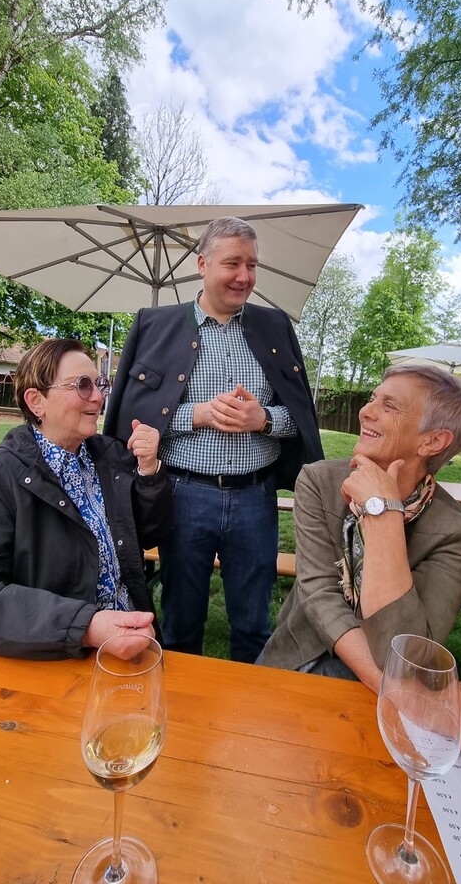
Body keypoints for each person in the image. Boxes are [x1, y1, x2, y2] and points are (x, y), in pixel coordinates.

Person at [258, 364, 461, 760]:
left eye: (389, 406)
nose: (366, 411)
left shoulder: (459, 536)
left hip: (374, 704)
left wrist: (383, 514)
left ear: (433, 441)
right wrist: (413, 700)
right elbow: (320, 596)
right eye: (372, 399)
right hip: (290, 662)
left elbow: (406, 654)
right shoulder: (318, 481)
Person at [104, 216, 323, 663]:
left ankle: (249, 702)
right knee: (181, 623)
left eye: (252, 265)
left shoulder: (276, 327)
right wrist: (196, 414)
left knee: (254, 626)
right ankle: (181, 702)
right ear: (202, 264)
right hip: (183, 496)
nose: (244, 276)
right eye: (233, 264)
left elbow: (301, 417)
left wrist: (263, 420)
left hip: (255, 498)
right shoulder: (154, 324)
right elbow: (131, 419)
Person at [0, 338, 172, 661]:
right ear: (36, 402)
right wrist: (85, 627)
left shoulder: (110, 455)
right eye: (82, 385)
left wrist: (149, 472)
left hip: (135, 643)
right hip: (57, 657)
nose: (99, 396)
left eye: (99, 383)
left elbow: (149, 534)